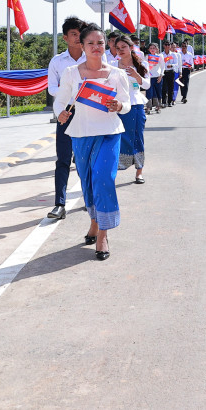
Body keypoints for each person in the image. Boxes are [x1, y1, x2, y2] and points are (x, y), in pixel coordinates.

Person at [53, 24, 132, 261]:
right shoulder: (71, 73)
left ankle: (103, 236)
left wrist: (118, 106)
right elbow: (60, 101)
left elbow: (126, 104)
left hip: (109, 132)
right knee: (88, 182)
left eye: (100, 43)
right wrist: (61, 114)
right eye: (91, 43)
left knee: (103, 179)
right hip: (81, 134)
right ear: (82, 46)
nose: (96, 47)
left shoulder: (116, 74)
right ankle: (94, 223)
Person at [45, 16, 86, 220]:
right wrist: (66, 96)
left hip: (88, 114)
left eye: (81, 34)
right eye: (74, 34)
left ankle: (90, 199)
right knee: (63, 159)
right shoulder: (57, 61)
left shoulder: (93, 58)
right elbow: (52, 87)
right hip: (66, 113)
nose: (78, 38)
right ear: (65, 38)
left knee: (84, 159)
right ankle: (59, 204)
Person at [115, 35, 149, 184]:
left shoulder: (141, 64)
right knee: (119, 137)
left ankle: (139, 171)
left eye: (124, 47)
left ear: (130, 48)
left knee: (137, 136)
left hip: (136, 105)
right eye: (118, 48)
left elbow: (147, 85)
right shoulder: (112, 66)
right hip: (119, 106)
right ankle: (116, 167)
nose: (121, 50)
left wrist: (137, 76)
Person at [145, 42, 165, 114]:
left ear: (156, 49)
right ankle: (148, 107)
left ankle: (158, 106)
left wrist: (161, 75)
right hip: (149, 77)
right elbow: (144, 66)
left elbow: (163, 66)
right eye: (151, 48)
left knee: (158, 92)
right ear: (148, 49)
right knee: (149, 92)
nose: (152, 50)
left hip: (157, 77)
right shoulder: (147, 57)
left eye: (154, 48)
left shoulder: (160, 56)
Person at [161, 41, 177, 107]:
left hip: (171, 72)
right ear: (164, 46)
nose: (167, 46)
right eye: (166, 44)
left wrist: (171, 65)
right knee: (164, 88)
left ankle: (170, 101)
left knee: (171, 88)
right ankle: (164, 102)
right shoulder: (161, 54)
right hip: (164, 72)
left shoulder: (173, 54)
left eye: (168, 45)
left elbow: (176, 64)